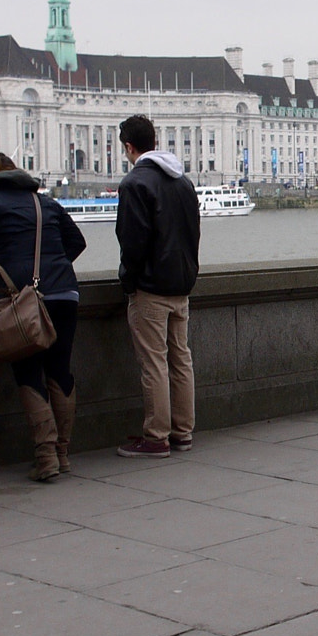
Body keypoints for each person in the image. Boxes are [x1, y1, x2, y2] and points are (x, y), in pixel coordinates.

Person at [0, 150, 87, 480]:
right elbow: (77, 241)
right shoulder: (44, 202)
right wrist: (53, 266)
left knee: (29, 371)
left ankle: (46, 459)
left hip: (21, 299)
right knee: (60, 369)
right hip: (64, 294)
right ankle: (64, 453)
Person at [114, 114, 201, 457]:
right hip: (181, 285)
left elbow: (132, 241)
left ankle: (156, 437)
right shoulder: (182, 182)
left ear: (129, 147)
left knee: (154, 362)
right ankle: (183, 432)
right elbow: (193, 232)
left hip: (150, 287)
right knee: (181, 359)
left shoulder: (135, 183)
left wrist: (128, 281)